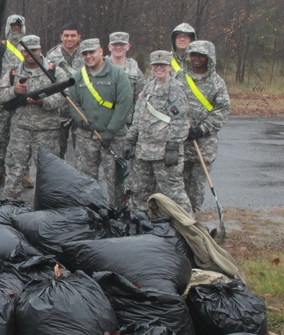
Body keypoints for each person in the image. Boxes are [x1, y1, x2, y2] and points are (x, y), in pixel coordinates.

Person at [0, 35, 68, 200]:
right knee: (15, 168)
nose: (30, 54)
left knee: (49, 170)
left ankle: (50, 203)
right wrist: (14, 91)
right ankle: (10, 203)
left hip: (47, 130)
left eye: (34, 50)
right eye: (27, 51)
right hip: (20, 128)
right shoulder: (14, 72)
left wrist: (43, 102)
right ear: (22, 52)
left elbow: (65, 97)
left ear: (40, 49)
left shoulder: (54, 71)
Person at [124, 50, 193, 214]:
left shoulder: (174, 89)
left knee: (174, 194)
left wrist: (173, 147)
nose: (158, 68)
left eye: (162, 65)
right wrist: (130, 140)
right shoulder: (148, 87)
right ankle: (142, 225)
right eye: (155, 65)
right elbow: (139, 117)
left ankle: (191, 229)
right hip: (143, 152)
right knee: (140, 192)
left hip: (164, 153)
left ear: (169, 67)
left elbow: (181, 121)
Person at [67, 38, 133, 206]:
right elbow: (73, 103)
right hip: (86, 138)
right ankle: (91, 211)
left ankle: (117, 212)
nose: (89, 56)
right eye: (85, 54)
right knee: (86, 179)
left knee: (115, 180)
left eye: (92, 52)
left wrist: (110, 131)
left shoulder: (118, 75)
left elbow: (124, 104)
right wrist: (81, 121)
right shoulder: (78, 77)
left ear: (101, 51)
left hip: (113, 137)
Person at [179, 40, 230, 212]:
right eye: (193, 55)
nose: (196, 59)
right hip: (181, 142)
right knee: (178, 184)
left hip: (204, 144)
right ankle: (179, 217)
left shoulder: (217, 83)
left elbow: (222, 111)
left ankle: (193, 216)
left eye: (201, 56)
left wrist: (201, 129)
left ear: (209, 58)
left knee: (197, 185)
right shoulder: (179, 78)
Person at [0, 14, 27, 186]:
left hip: (22, 98)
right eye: (13, 26)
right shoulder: (1, 46)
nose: (16, 28)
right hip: (2, 97)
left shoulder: (29, 46)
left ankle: (24, 173)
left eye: (18, 26)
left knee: (22, 138)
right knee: (0, 135)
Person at [107, 31, 145, 205]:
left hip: (126, 127)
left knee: (122, 169)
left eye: (122, 44)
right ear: (109, 47)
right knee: (104, 169)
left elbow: (141, 100)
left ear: (128, 47)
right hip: (103, 125)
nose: (118, 47)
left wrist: (136, 126)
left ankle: (122, 205)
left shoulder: (135, 72)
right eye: (115, 44)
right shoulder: (101, 68)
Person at [47, 22, 84, 161]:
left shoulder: (87, 54)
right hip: (60, 110)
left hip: (80, 109)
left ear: (79, 37)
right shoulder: (52, 56)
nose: (70, 39)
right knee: (56, 152)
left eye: (73, 36)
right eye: (66, 35)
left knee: (82, 154)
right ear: (61, 37)